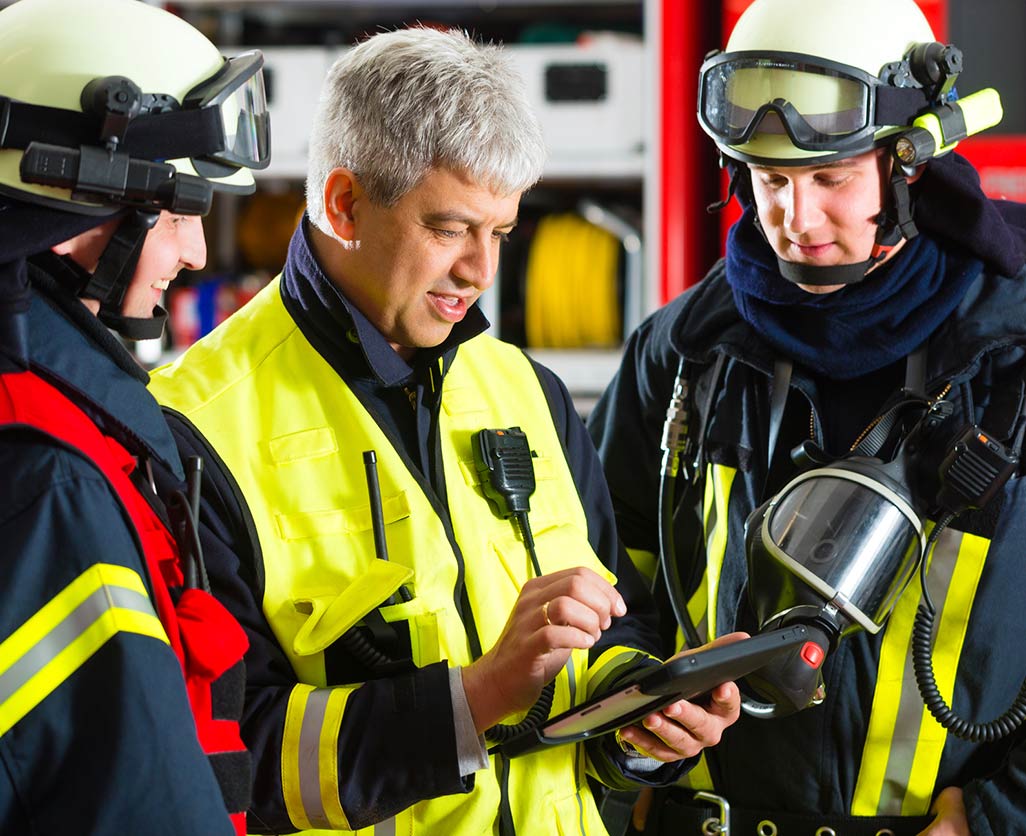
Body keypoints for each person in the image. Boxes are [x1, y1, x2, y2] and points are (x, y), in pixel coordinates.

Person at [148, 26, 743, 836]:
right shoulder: (193, 427)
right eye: (450, 228)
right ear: (345, 204)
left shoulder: (526, 391)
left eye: (500, 232)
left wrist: (646, 715)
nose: (482, 271)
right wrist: (474, 701)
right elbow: (220, 761)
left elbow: (618, 622)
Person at [589, 0, 1026, 833]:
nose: (796, 218)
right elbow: (604, 580)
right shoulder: (684, 351)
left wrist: (998, 817)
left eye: (831, 178)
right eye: (771, 179)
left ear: (908, 165)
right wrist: (633, 715)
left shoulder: (1011, 350)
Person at [0, 0, 271, 833]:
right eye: (182, 213)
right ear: (70, 201)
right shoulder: (55, 479)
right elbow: (134, 793)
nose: (193, 253)